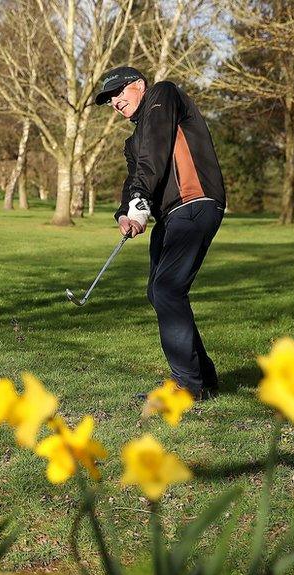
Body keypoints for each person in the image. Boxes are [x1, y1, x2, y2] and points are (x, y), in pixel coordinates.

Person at [93, 66, 226, 400]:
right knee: (159, 291)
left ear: (139, 85)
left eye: (118, 92)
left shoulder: (162, 95)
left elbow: (154, 150)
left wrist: (140, 196)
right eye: (109, 99)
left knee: (168, 289)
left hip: (195, 201)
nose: (114, 102)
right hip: (170, 216)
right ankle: (204, 377)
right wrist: (126, 212)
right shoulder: (133, 139)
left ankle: (186, 387)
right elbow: (137, 173)